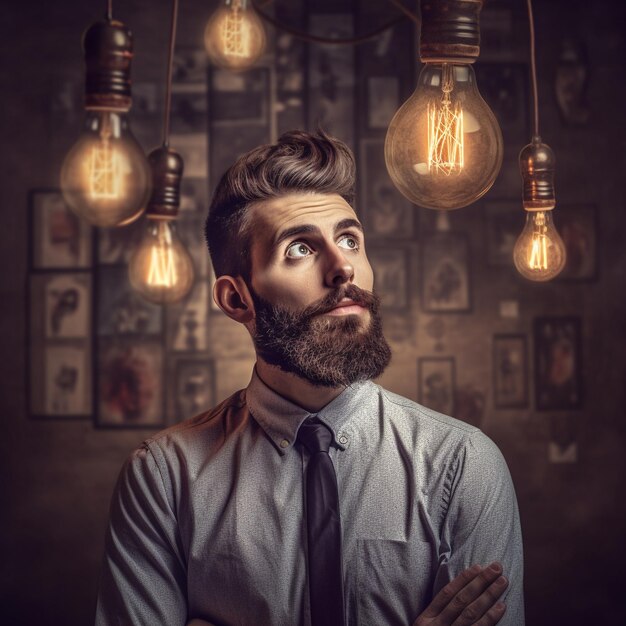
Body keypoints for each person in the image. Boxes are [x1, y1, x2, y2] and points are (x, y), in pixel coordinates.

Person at [95, 130, 524, 626]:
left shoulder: (464, 466)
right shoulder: (163, 480)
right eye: (299, 248)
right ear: (237, 299)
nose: (343, 266)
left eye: (350, 239)